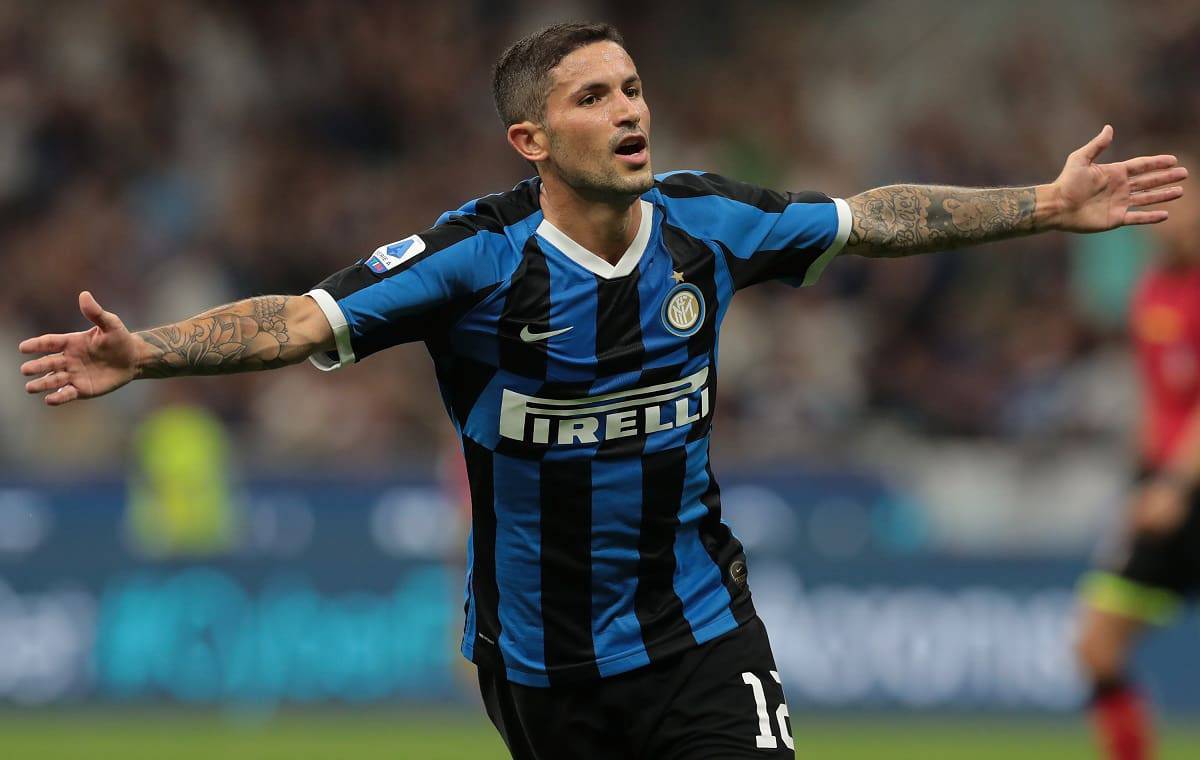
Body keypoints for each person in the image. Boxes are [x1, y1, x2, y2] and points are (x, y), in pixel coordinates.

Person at [18, 21, 1188, 760]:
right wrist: (148, 351)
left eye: (631, 87)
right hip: (539, 669)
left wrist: (1043, 204)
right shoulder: (472, 259)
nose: (629, 109)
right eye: (593, 97)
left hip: (699, 634)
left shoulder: (707, 222)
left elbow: (869, 218)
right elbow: (299, 319)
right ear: (530, 139)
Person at [1076, 185, 1200, 760]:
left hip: (1186, 486)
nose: (1168, 219)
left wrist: (1176, 484)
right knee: (1096, 646)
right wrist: (1142, 482)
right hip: (1163, 486)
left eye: (1185, 206)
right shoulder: (1150, 290)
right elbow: (1156, 398)